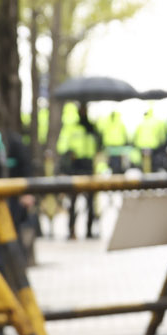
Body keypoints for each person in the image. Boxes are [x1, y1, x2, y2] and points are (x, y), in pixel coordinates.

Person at [58, 101, 104, 238]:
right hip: (75, 167)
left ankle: (89, 230)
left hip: (89, 166)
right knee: (73, 202)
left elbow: (99, 146)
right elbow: (63, 146)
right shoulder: (71, 127)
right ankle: (71, 230)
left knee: (90, 202)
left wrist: (95, 133)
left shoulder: (92, 128)